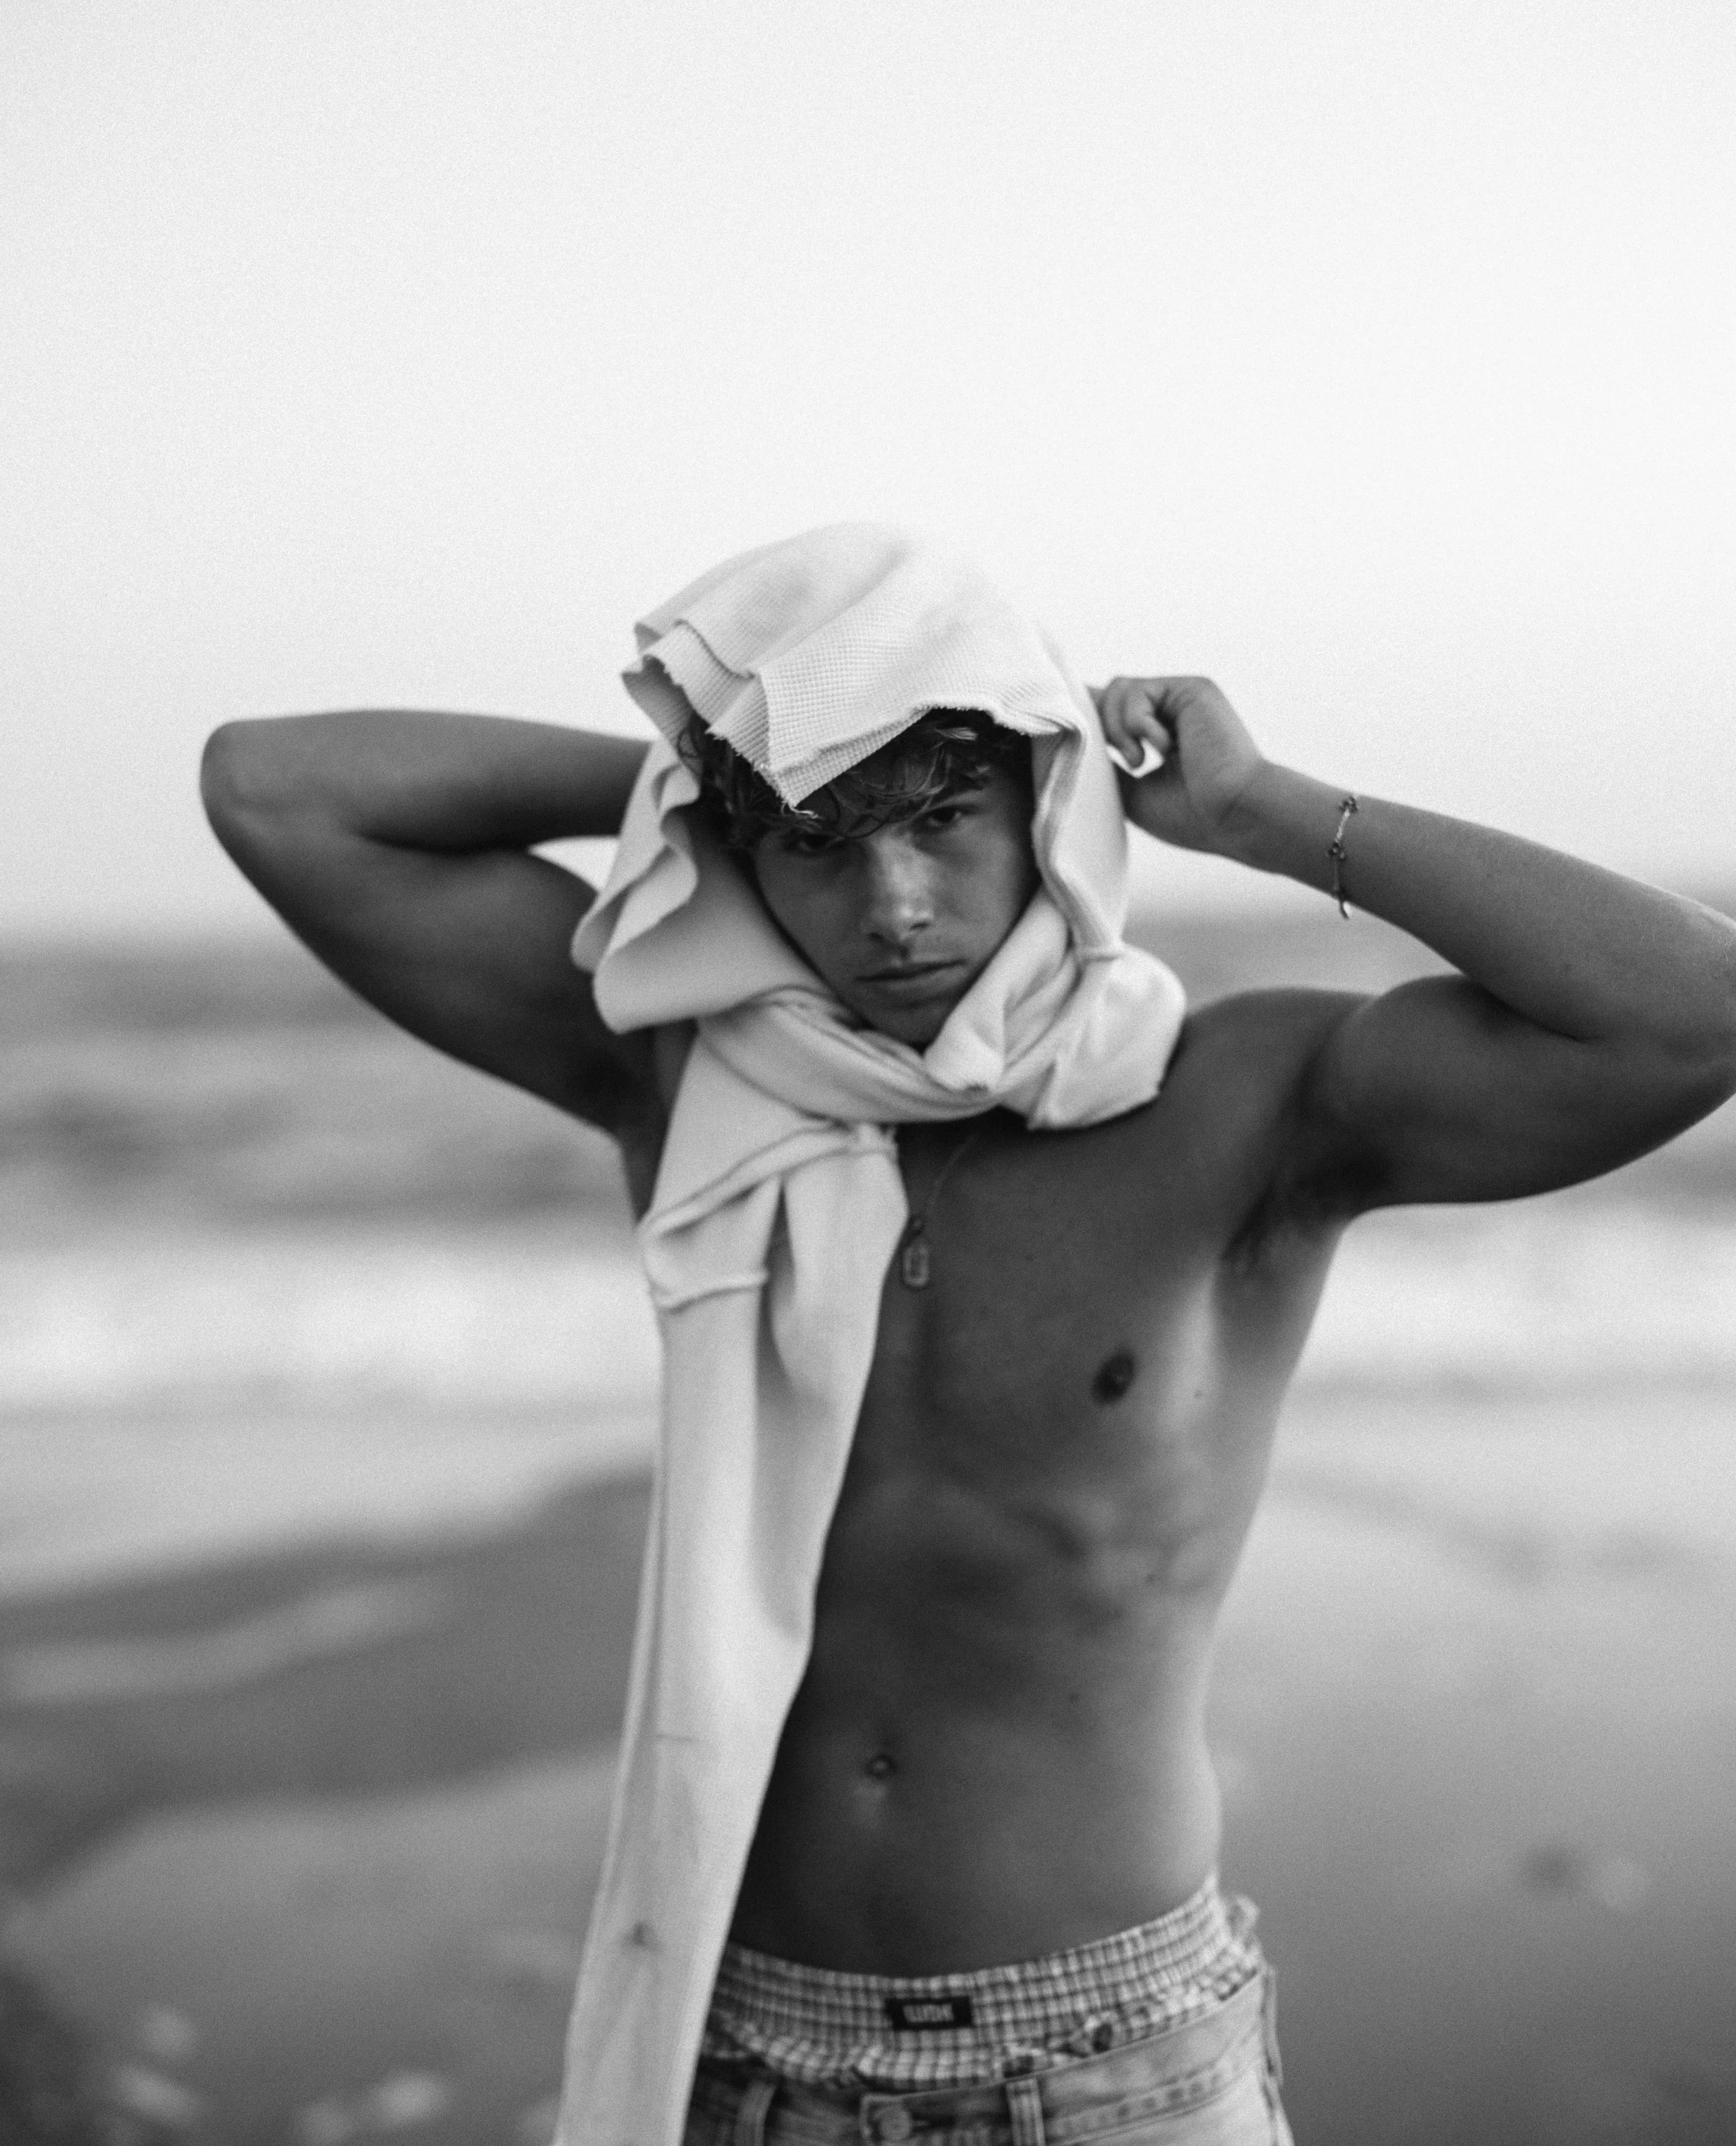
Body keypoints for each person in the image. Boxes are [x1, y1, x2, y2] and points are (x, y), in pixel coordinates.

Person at [201, 528, 1736, 2146]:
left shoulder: (1241, 1105)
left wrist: (1261, 810)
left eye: (942, 819)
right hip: (746, 2050)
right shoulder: (695, 1082)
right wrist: (727, 770)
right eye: (819, 843)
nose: (892, 905)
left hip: (1114, 2062)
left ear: (1047, 802)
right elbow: (275, 790)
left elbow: (1689, 1010)